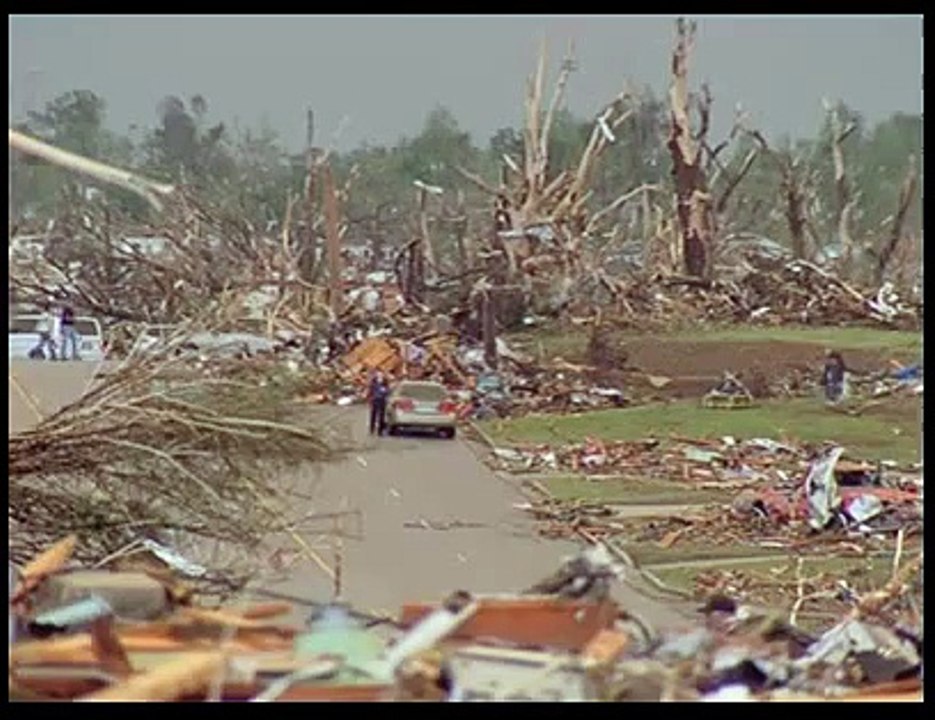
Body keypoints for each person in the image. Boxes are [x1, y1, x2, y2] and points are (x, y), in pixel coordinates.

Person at [368, 370, 390, 436]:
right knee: (373, 416)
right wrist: (370, 399)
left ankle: (380, 431)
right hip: (375, 400)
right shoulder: (373, 382)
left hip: (382, 401)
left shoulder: (385, 382)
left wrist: (385, 391)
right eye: (378, 374)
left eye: (381, 374)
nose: (380, 375)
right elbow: (370, 391)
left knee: (381, 416)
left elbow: (388, 391)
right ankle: (372, 430)